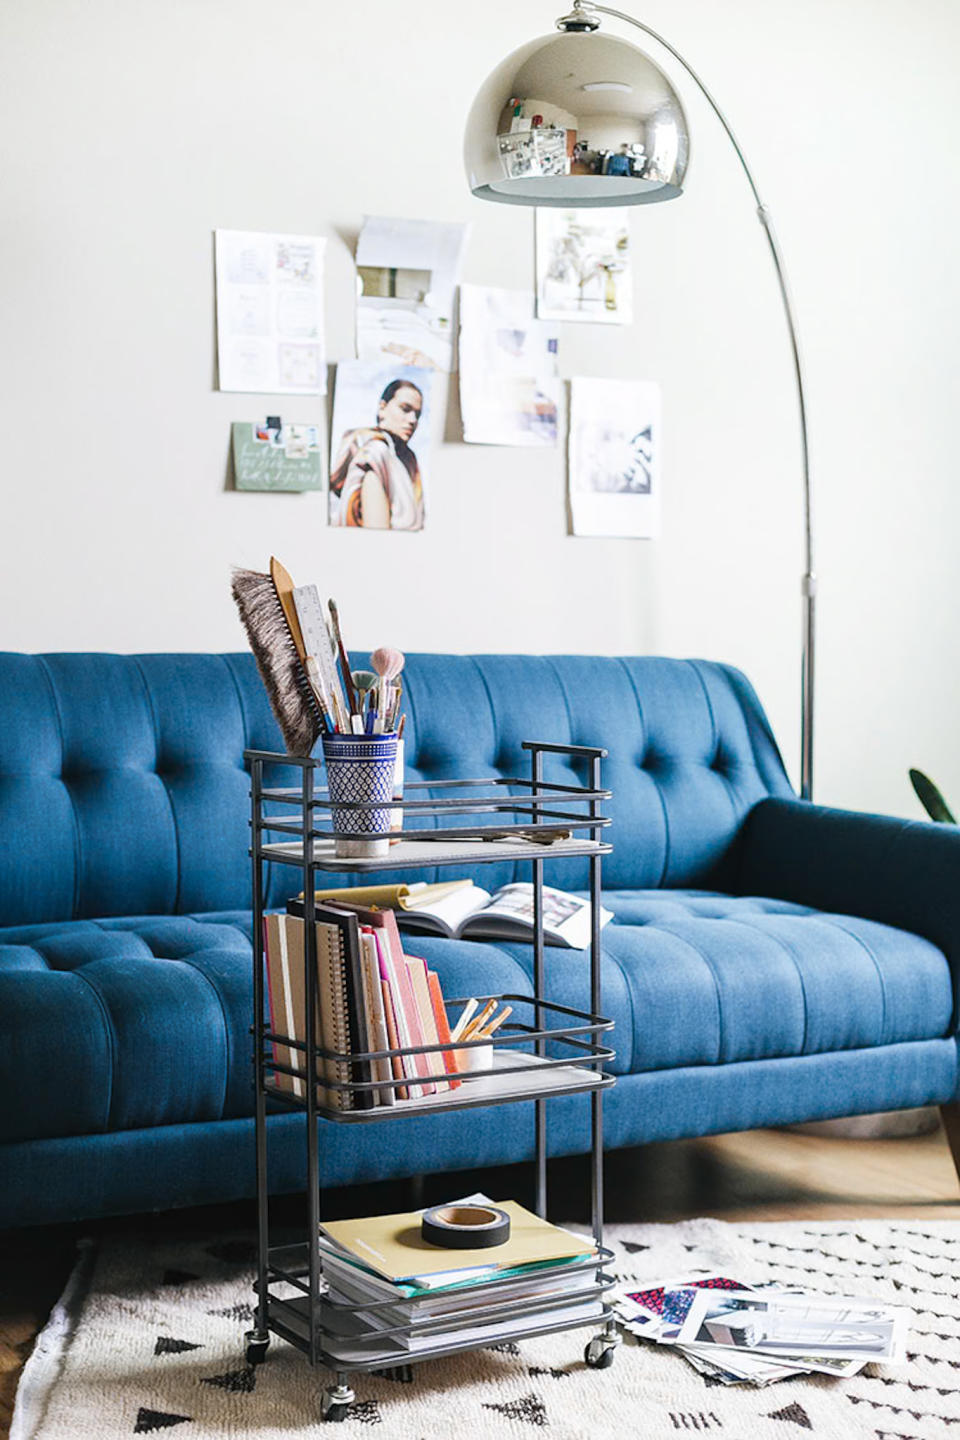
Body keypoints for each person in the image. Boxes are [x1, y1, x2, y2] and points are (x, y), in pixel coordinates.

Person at [329, 378, 425, 529]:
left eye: (417, 415)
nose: (413, 420)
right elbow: (376, 531)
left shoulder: (408, 461)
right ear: (382, 408)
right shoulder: (375, 451)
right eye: (405, 409)